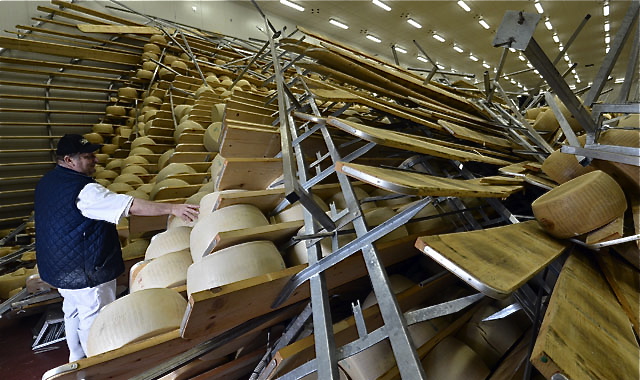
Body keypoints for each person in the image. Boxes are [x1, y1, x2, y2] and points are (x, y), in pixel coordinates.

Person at [34, 134, 199, 362]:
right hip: (85, 270)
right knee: (97, 321)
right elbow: (130, 206)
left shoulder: (48, 181)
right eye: (87, 156)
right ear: (69, 160)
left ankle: (76, 358)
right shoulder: (85, 191)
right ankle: (95, 368)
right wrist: (173, 208)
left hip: (58, 267)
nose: (95, 160)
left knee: (72, 311)